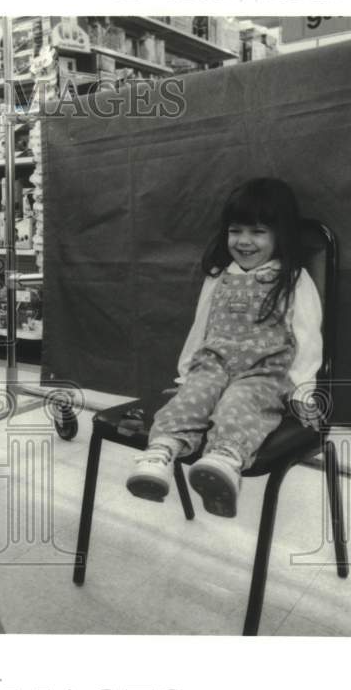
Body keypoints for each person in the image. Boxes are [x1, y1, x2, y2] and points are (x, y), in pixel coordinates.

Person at [125, 178, 323, 518]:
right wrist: (186, 372)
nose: (244, 241)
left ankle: (223, 461)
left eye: (258, 232)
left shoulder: (293, 279)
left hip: (263, 373)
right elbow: (200, 327)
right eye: (236, 231)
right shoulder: (219, 276)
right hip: (213, 364)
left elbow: (308, 338)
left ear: (280, 234)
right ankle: (160, 452)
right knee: (192, 396)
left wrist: (303, 391)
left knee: (240, 402)